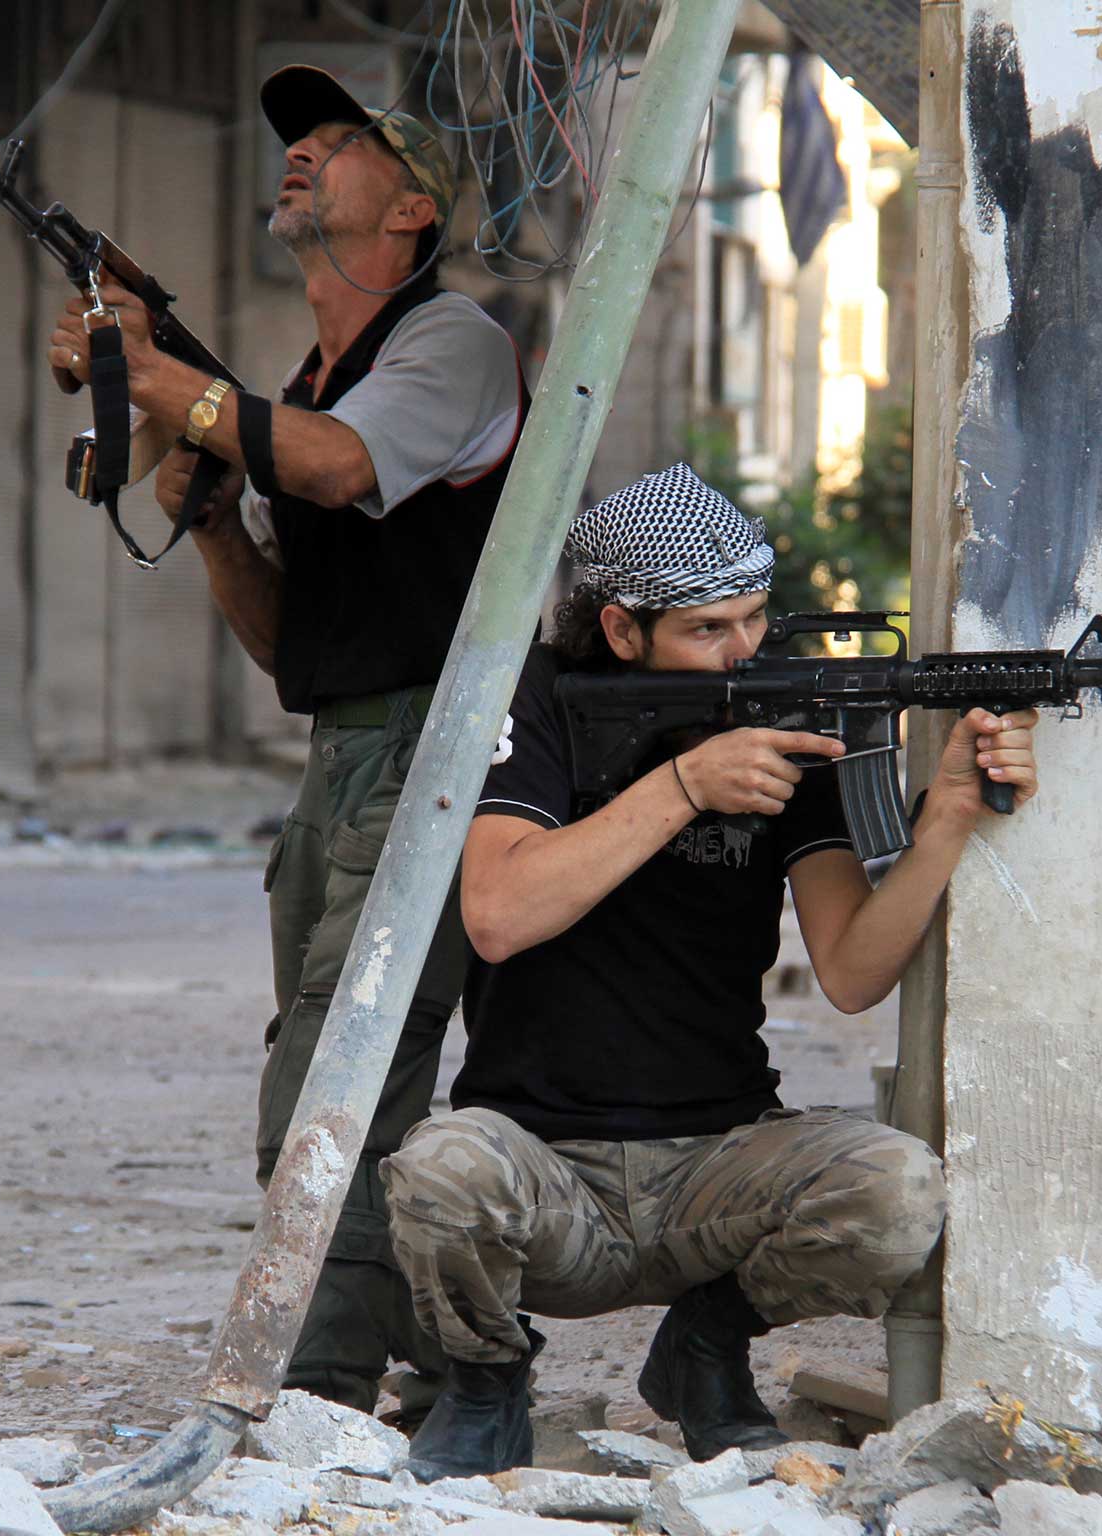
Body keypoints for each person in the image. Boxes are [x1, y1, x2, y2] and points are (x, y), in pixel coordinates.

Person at [379, 463, 1041, 1478]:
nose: (744, 650)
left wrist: (946, 818)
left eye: (753, 618)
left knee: (895, 1190)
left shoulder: (783, 719)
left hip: (714, 1172)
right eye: (708, 630)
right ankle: (486, 1384)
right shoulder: (541, 704)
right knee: (437, 1169)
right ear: (617, 630)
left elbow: (854, 973)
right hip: (547, 1171)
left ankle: (704, 1349)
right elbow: (499, 915)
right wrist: (686, 784)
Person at [43, 65, 527, 1417]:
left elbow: (333, 469)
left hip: (440, 761)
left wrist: (158, 380)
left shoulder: (450, 345)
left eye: (338, 145)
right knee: (341, 1077)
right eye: (298, 144)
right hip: (352, 758)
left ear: (414, 211)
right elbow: (285, 644)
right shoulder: (313, 379)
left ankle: (312, 1391)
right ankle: (448, 1366)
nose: (301, 159)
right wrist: (202, 513)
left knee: (332, 1086)